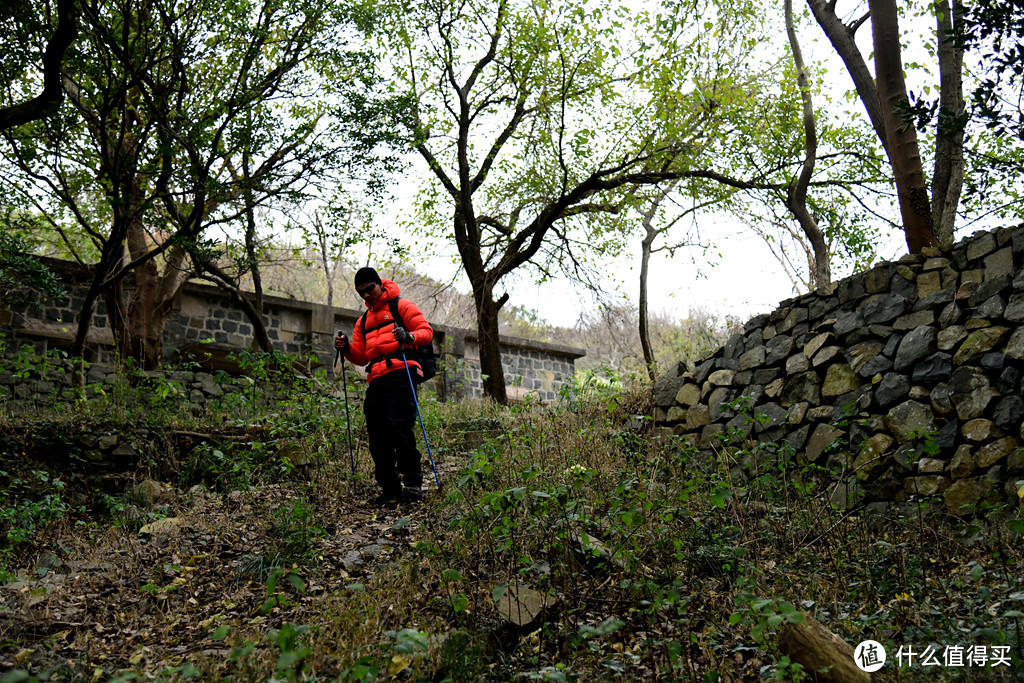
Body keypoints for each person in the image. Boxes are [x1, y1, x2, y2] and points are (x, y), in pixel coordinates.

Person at [335, 267, 433, 505]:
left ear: (380, 284)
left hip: (402, 372)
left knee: (400, 427)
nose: (366, 295)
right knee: (377, 435)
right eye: (361, 292)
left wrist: (408, 337)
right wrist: (346, 348)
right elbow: (361, 356)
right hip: (377, 378)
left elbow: (426, 332)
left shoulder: (402, 306)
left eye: (369, 289)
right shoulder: (363, 321)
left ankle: (412, 484)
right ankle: (389, 488)